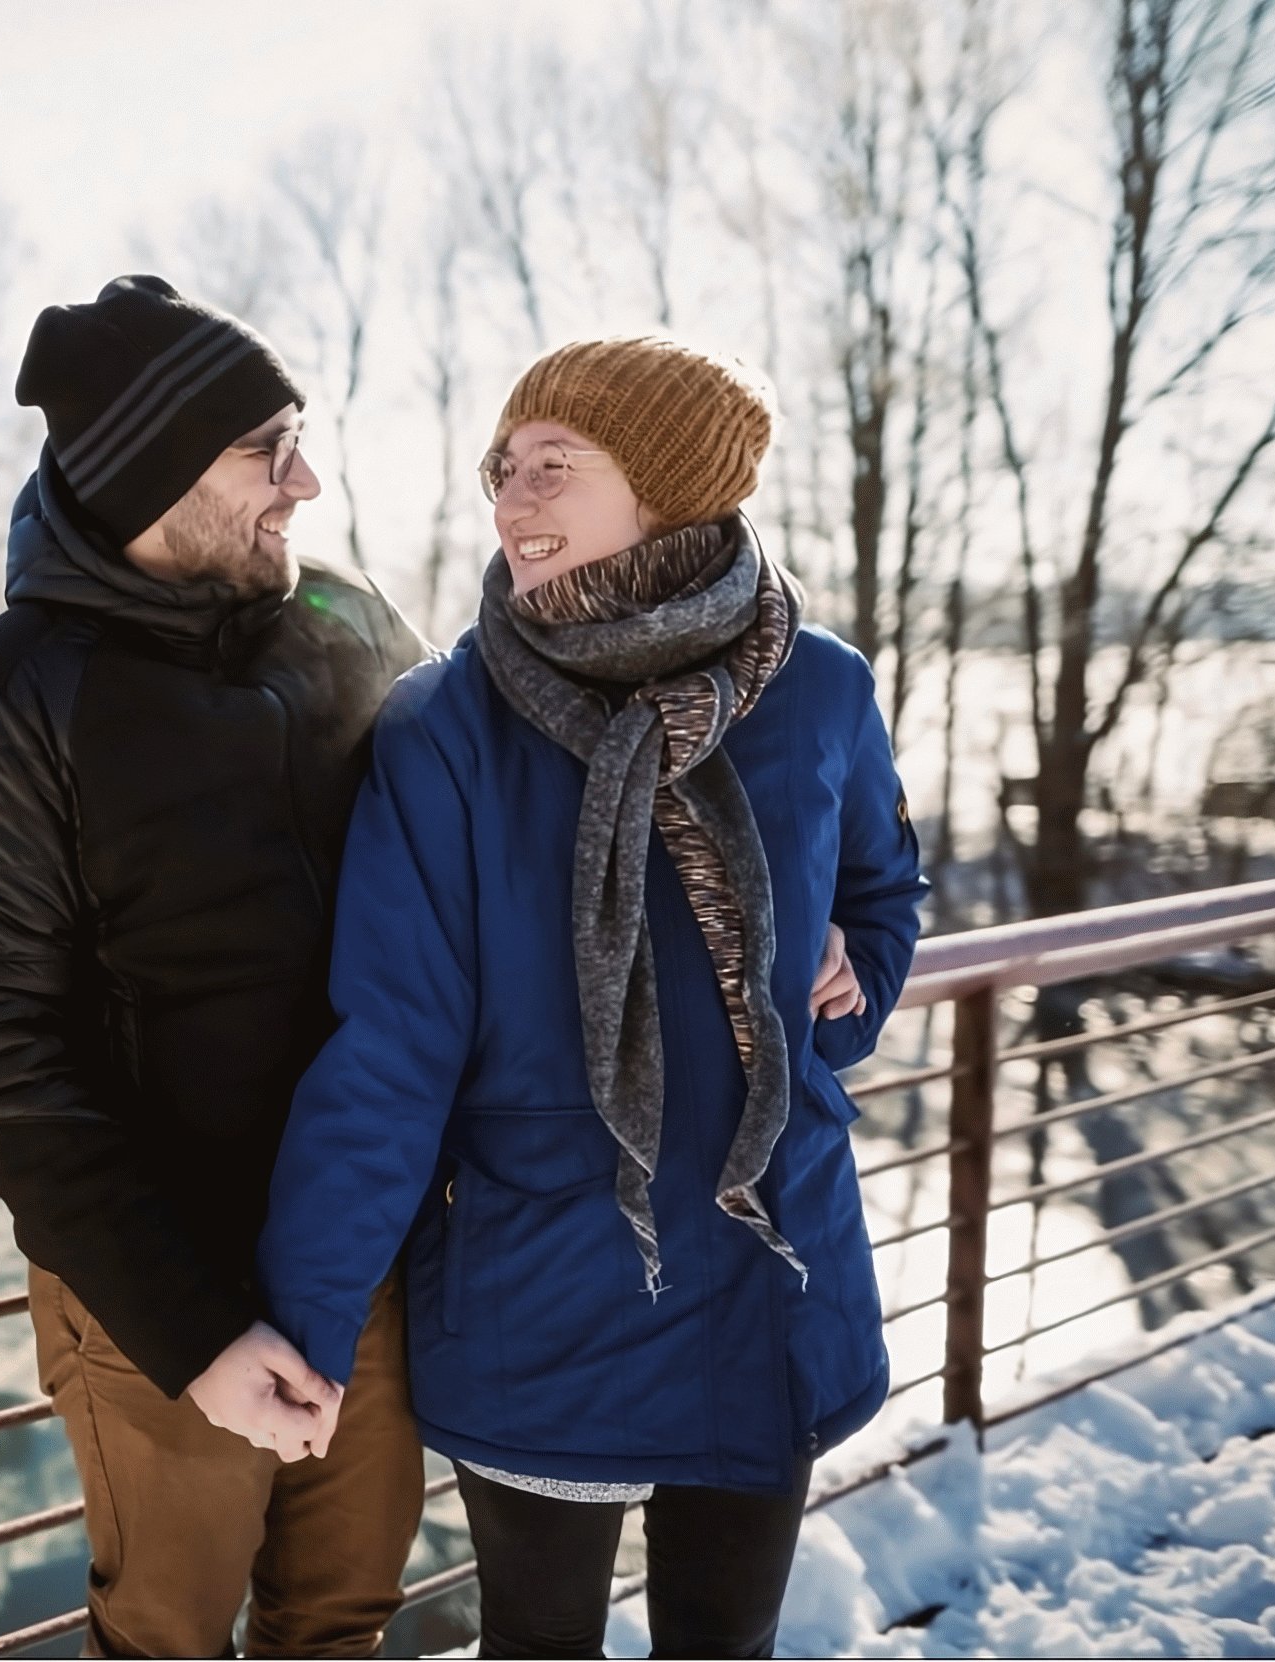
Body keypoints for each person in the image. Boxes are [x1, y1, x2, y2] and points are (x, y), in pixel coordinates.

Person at [252, 335, 928, 1659]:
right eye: (503, 469)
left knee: (723, 1644)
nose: (510, 500)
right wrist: (308, 1313)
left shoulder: (824, 688)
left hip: (765, 1271)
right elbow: (392, 1049)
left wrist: (853, 970)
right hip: (549, 1285)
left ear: (671, 484)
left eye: (554, 466)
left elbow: (887, 891)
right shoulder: (443, 727)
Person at [0, 274, 431, 1657]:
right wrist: (196, 1332)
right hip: (161, 1291)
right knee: (169, 1641)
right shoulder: (11, 697)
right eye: (268, 448)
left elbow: (509, 832)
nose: (305, 480)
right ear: (153, 472)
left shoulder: (352, 626)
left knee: (343, 1617)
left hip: (368, 1248)